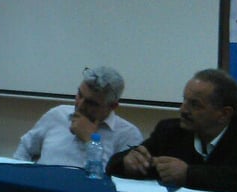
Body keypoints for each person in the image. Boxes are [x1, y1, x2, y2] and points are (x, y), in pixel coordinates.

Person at [107, 69, 237, 192]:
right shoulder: (170, 131)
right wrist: (126, 162)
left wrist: (188, 174)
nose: (183, 110)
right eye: (184, 100)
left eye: (195, 104)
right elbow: (116, 164)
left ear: (224, 114)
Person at [13, 66, 142, 167]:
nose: (80, 105)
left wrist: (90, 141)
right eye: (79, 95)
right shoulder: (57, 114)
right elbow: (25, 148)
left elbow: (111, 183)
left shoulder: (128, 135)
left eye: (91, 103)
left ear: (112, 106)